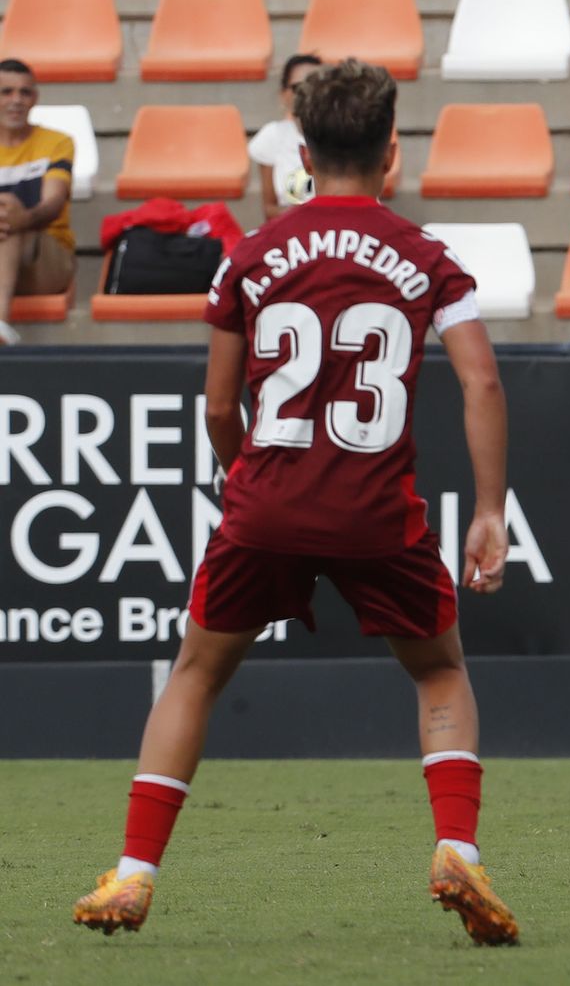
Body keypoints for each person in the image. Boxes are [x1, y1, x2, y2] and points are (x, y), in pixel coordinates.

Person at [72, 59, 519, 946]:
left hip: (267, 501)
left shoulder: (250, 253)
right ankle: (457, 847)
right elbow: (485, 383)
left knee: (196, 672)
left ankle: (132, 874)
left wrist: (246, 481)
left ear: (302, 155)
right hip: (374, 510)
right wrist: (489, 509)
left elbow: (214, 404)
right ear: (392, 151)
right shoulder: (429, 256)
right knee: (438, 670)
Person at [0, 58, 75, 347]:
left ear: (36, 98)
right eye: (6, 92)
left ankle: (2, 325)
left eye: (24, 92)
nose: (16, 100)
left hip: (46, 261)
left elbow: (54, 202)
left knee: (8, 212)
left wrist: (22, 218)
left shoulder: (57, 142)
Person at [248, 54, 323, 223]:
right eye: (299, 87)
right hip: (290, 234)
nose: (308, 93)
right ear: (283, 94)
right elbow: (269, 209)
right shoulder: (271, 136)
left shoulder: (347, 134)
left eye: (317, 85)